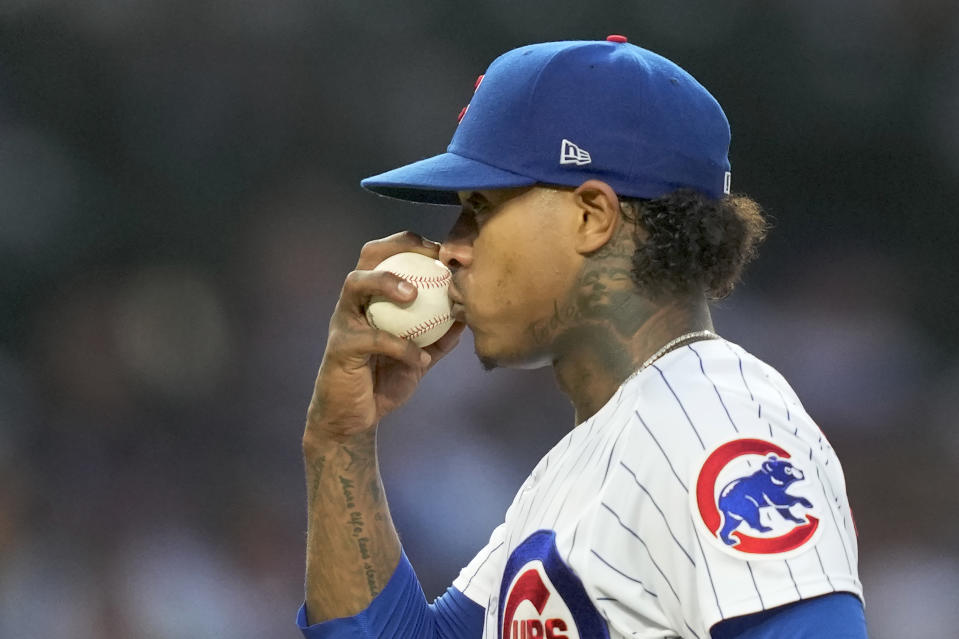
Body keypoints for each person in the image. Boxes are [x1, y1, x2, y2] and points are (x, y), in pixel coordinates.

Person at [298, 36, 867, 638]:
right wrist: (338, 438)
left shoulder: (714, 428)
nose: (453, 247)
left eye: (481, 206)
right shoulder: (589, 458)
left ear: (592, 215)